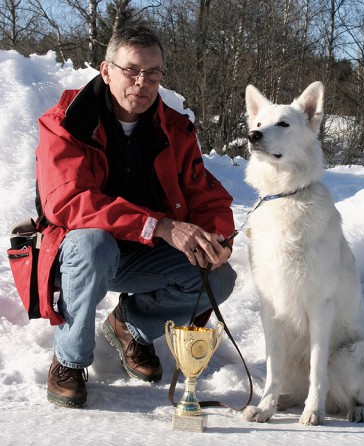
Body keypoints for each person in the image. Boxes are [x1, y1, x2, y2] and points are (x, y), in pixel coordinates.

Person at [34, 25, 237, 408]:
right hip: (80, 253)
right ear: (106, 70)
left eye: (153, 73)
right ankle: (69, 359)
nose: (142, 83)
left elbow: (204, 194)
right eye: (131, 70)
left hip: (143, 255)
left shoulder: (176, 129)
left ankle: (131, 324)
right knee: (95, 243)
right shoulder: (65, 121)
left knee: (219, 276)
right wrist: (158, 225)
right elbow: (68, 202)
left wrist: (216, 237)